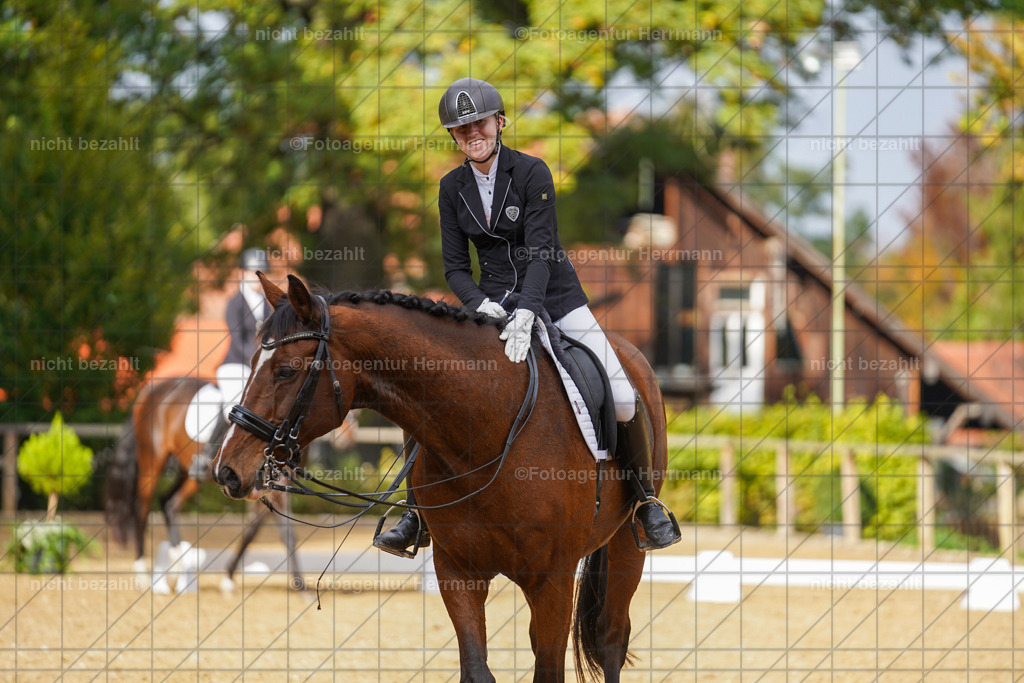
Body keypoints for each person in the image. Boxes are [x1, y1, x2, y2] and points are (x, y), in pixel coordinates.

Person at [373, 77, 681, 556]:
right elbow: (455, 267)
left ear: (499, 122)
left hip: (556, 298)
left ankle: (646, 502)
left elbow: (541, 253)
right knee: (430, 388)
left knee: (622, 395)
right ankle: (415, 512)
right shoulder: (451, 188)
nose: (472, 133)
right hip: (490, 305)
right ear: (453, 136)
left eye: (479, 123)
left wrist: (527, 311)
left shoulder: (532, 172)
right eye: (461, 128)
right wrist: (479, 305)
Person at [190, 248, 271, 479]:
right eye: (254, 274)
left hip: (257, 367)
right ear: (241, 273)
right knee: (231, 407)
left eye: (262, 274)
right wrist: (259, 359)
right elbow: (236, 341)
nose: (258, 280)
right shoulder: (235, 303)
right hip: (235, 365)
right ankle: (205, 455)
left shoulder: (267, 305)